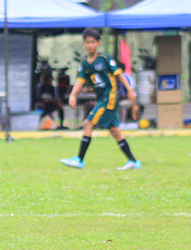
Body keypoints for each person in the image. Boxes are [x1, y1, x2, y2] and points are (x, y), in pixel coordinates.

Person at [60, 28, 141, 170]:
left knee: (87, 124)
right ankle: (133, 161)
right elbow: (80, 80)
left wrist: (130, 90)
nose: (90, 45)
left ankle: (79, 159)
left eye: (93, 42)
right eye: (87, 42)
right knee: (115, 131)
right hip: (102, 98)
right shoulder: (85, 63)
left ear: (98, 43)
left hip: (109, 97)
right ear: (84, 44)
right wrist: (73, 94)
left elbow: (119, 74)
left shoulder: (104, 59)